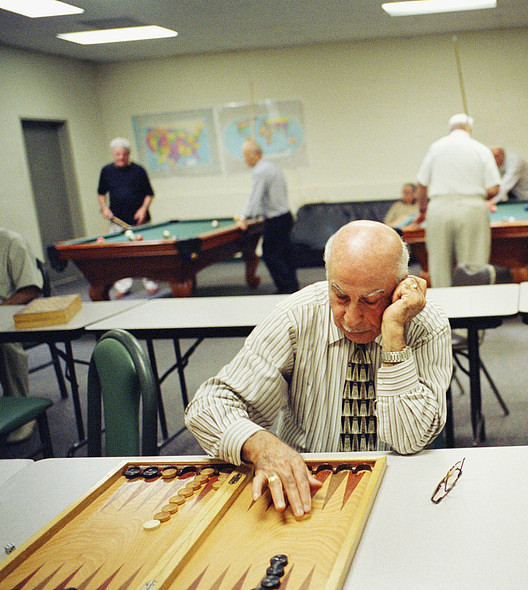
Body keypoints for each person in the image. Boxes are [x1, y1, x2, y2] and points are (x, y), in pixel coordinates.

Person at [185, 220, 451, 517]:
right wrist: (259, 446)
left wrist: (393, 333)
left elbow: (409, 440)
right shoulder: (297, 316)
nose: (351, 318)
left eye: (371, 300)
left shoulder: (427, 325)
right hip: (305, 485)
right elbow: (208, 405)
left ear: (401, 286)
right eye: (340, 296)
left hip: (398, 487)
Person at [415, 113, 501, 287]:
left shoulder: (436, 147)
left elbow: (421, 184)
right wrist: (473, 190)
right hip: (472, 208)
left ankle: (443, 312)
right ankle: (473, 310)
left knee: (438, 266)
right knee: (473, 267)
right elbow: (495, 189)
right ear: (469, 128)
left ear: (450, 128)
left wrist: (423, 210)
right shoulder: (481, 149)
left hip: (438, 208)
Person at [97, 137, 158, 297]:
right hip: (117, 220)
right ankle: (123, 287)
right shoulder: (106, 171)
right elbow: (101, 194)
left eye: (124, 154)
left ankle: (151, 282)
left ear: (129, 154)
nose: (121, 157)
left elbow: (149, 194)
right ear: (112, 154)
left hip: (140, 220)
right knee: (121, 255)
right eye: (117, 154)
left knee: (146, 253)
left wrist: (143, 209)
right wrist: (104, 208)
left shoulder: (139, 170)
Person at [238, 138, 299, 294]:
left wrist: (244, 217)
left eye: (245, 155)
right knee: (285, 253)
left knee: (271, 254)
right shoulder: (272, 167)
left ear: (255, 154)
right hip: (286, 216)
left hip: (276, 220)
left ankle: (285, 288)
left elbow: (255, 197)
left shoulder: (260, 170)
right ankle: (292, 287)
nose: (244, 160)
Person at [0, 228, 44, 442]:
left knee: (5, 344)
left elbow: (30, 290)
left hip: (11, 313)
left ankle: (21, 413)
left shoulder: (11, 242)